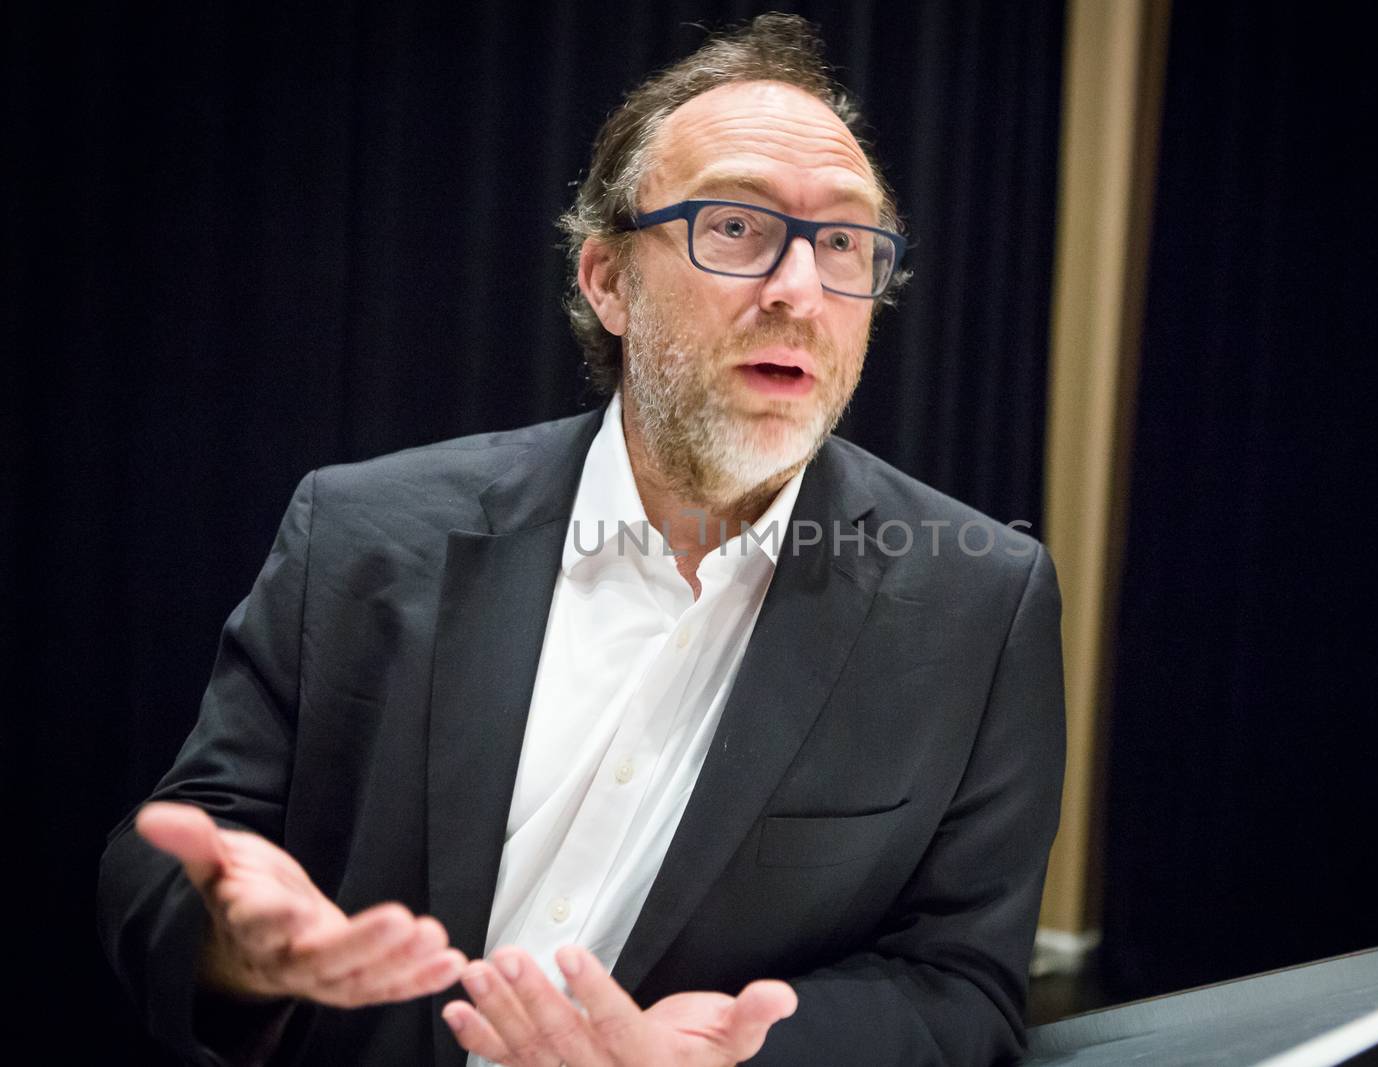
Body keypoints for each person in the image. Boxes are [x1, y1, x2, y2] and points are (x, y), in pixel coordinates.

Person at [99, 14, 1065, 1067]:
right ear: (607, 280)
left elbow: (962, 986)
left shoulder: (980, 600)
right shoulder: (362, 532)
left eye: (843, 242)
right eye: (735, 227)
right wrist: (233, 939)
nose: (799, 290)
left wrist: (726, 1058)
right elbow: (172, 854)